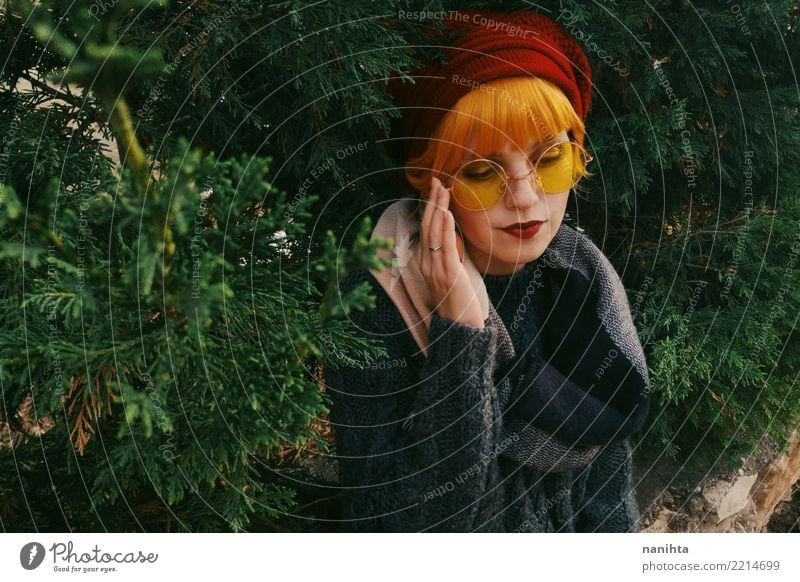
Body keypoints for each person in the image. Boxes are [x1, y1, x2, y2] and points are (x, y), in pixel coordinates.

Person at [324, 9, 651, 533]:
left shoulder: (584, 278)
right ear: (430, 179)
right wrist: (461, 338)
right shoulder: (375, 305)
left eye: (550, 159)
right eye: (481, 171)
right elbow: (404, 530)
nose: (525, 198)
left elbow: (608, 491)